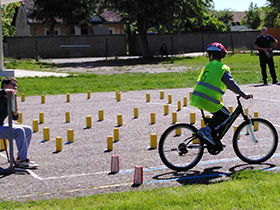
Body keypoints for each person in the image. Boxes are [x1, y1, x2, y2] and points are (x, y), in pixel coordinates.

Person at [190, 42, 253, 145]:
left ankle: (213, 137)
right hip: (208, 99)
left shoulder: (208, 66)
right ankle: (206, 131)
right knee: (226, 115)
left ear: (211, 55)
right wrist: (243, 94)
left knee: (219, 115)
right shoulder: (222, 68)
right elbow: (231, 84)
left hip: (197, 97)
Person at [0, 77, 38, 169]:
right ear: (5, 85)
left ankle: (20, 158)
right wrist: (4, 91)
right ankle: (23, 161)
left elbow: (15, 118)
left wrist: (15, 107)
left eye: (17, 86)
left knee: (28, 129)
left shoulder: (10, 98)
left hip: (1, 125)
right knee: (19, 131)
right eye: (13, 85)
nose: (16, 88)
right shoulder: (1, 94)